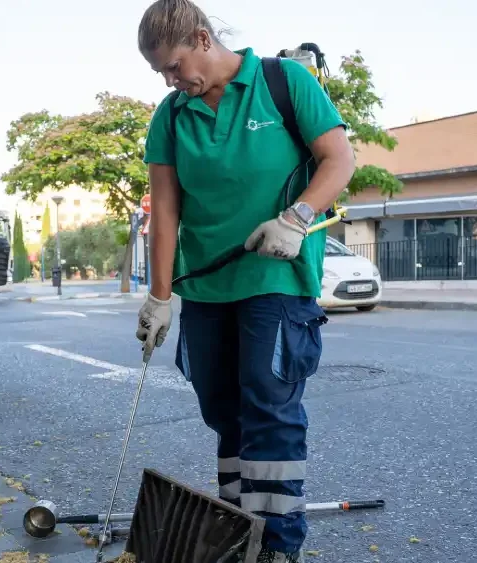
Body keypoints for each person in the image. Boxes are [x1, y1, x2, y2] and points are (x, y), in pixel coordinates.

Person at [134, 1, 356, 561]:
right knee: (222, 410)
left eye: (174, 66)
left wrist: (297, 218)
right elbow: (165, 211)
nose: (170, 80)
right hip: (206, 287)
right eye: (160, 72)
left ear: (202, 39)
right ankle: (239, 533)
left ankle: (277, 547)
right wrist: (159, 297)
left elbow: (339, 160)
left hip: (273, 279)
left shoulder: (285, 84)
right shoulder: (172, 116)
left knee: (268, 408)